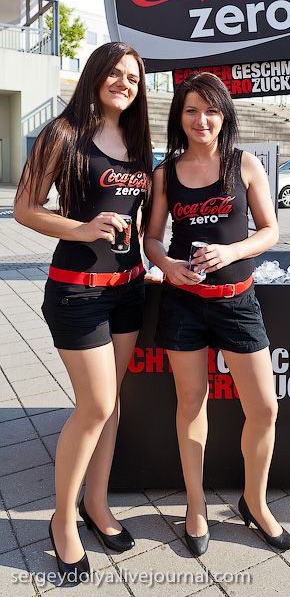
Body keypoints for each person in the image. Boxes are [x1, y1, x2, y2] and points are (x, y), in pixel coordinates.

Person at [14, 42, 153, 582]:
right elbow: (25, 208)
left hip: (129, 289)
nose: (124, 83)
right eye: (115, 73)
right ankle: (63, 519)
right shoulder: (62, 133)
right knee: (95, 404)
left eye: (134, 78)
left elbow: (140, 215)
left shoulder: (139, 142)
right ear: (95, 74)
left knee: (111, 404)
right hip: (76, 291)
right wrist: (82, 227)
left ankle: (97, 505)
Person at [144, 72, 290, 556]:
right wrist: (167, 265)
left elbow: (270, 231)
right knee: (191, 404)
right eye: (190, 110)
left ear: (224, 114)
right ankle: (195, 504)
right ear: (179, 117)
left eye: (210, 110)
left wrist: (230, 254)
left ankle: (255, 500)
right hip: (183, 304)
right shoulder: (166, 172)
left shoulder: (244, 164)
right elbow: (152, 239)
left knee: (265, 408)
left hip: (237, 301)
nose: (200, 119)